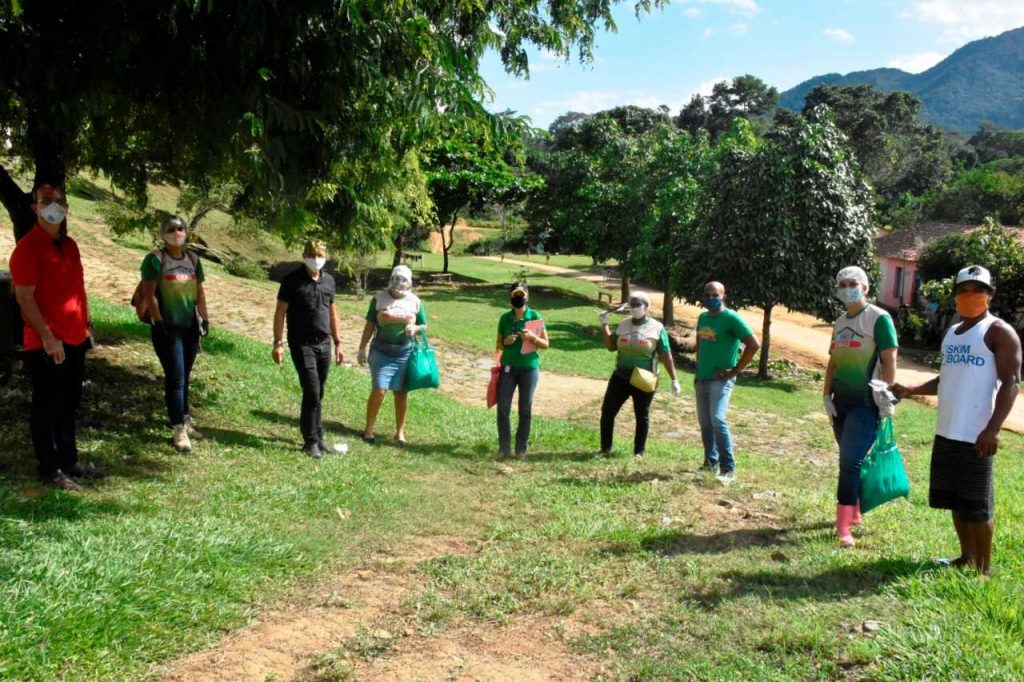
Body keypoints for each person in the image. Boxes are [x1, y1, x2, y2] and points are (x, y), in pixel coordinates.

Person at [893, 266, 1021, 576]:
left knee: (978, 506)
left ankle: (984, 570)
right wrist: (911, 390)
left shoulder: (998, 331)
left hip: (977, 435)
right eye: (964, 289)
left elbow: (1012, 382)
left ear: (990, 294)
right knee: (955, 500)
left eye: (978, 289)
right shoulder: (953, 332)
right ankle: (966, 557)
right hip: (947, 431)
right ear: (955, 295)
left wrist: (992, 429)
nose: (970, 295)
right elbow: (946, 378)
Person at [10, 184, 105, 490]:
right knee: (46, 407)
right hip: (46, 343)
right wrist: (48, 338)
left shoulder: (71, 245)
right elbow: (24, 299)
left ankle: (69, 460)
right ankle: (49, 470)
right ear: (35, 208)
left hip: (75, 339)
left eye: (60, 201)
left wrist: (86, 324)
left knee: (68, 404)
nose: (54, 205)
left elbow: (77, 289)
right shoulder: (27, 248)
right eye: (46, 201)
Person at [822, 266, 898, 547]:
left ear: (865, 287)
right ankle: (853, 513)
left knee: (850, 461)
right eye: (841, 284)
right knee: (848, 459)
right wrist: (826, 395)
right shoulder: (840, 322)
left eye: (852, 283)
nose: (846, 287)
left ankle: (843, 526)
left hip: (866, 404)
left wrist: (887, 393)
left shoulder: (879, 318)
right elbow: (833, 362)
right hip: (840, 404)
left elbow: (890, 359)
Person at [139, 216, 209, 453]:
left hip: (189, 328)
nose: (176, 232)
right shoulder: (155, 260)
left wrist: (205, 318)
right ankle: (178, 428)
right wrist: (158, 322)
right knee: (176, 377)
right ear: (163, 234)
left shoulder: (193, 259)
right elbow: (149, 295)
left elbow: (199, 293)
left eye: (180, 228)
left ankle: (184, 418)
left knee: (185, 375)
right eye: (171, 229)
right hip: (167, 328)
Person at [272, 240, 345, 459]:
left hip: (324, 343)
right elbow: (280, 313)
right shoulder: (292, 281)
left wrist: (339, 342)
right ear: (304, 255)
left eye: (320, 254)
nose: (316, 258)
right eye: (312, 254)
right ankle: (310, 440)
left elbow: (333, 313)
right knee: (311, 389)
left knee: (318, 391)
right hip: (301, 343)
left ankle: (319, 436)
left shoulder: (329, 281)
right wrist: (277, 343)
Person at [598, 291, 681, 458]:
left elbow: (665, 355)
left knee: (641, 415)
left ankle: (639, 451)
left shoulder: (657, 328)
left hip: (644, 378)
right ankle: (605, 448)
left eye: (638, 305)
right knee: (607, 412)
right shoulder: (623, 324)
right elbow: (611, 346)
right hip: (621, 375)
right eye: (632, 305)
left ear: (647, 307)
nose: (635, 308)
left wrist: (674, 379)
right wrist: (604, 325)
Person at [694, 281, 761, 483]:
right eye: (707, 294)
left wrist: (736, 370)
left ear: (724, 296)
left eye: (715, 294)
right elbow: (700, 343)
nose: (711, 298)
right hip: (702, 377)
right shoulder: (703, 317)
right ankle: (710, 463)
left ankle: (728, 467)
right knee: (705, 423)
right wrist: (698, 368)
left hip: (720, 380)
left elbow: (753, 344)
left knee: (717, 419)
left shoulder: (731, 318)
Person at [357, 265, 427, 446]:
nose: (399, 283)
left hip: (405, 352)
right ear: (390, 279)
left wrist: (416, 328)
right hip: (381, 350)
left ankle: (400, 432)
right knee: (379, 389)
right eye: (396, 278)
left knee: (401, 393)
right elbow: (370, 325)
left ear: (409, 283)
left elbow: (424, 325)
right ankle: (369, 429)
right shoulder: (379, 299)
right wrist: (362, 348)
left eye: (403, 280)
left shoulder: (415, 301)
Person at [494, 282, 550, 460]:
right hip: (508, 369)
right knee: (503, 408)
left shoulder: (535, 316)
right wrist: (506, 342)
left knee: (525, 410)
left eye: (521, 295)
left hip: (529, 369)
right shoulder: (504, 318)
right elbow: (498, 344)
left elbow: (546, 344)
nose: (518, 298)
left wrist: (532, 338)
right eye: (515, 295)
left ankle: (521, 449)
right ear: (510, 297)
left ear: (527, 297)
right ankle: (504, 448)